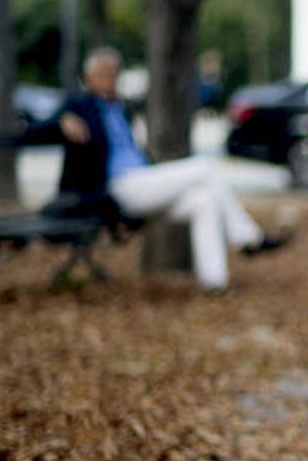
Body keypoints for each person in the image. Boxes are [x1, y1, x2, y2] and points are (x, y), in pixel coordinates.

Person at [32, 47, 289, 292]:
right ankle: (248, 238)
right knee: (206, 168)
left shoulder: (122, 109)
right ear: (88, 78)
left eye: (113, 74)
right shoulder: (79, 106)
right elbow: (34, 131)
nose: (110, 80)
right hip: (117, 189)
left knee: (204, 200)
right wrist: (62, 122)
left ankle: (215, 283)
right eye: (103, 75)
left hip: (143, 182)